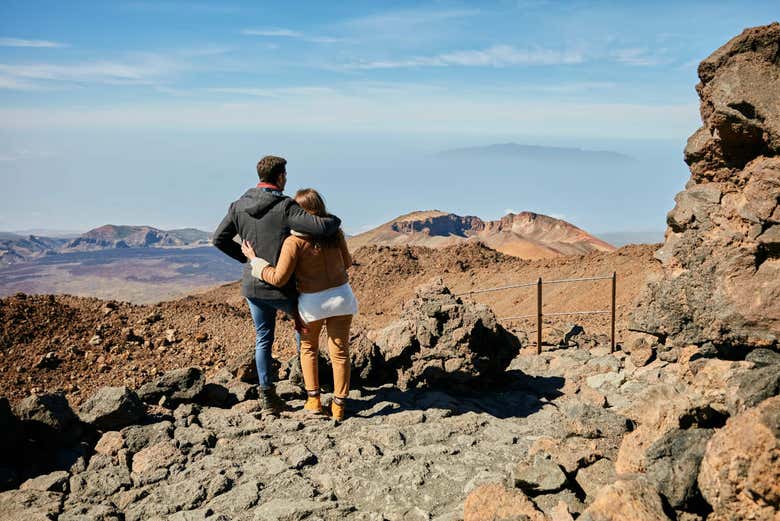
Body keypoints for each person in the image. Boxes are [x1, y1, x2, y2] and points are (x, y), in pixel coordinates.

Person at [212, 156, 342, 413]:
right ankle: (308, 388)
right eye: (285, 174)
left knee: (263, 338)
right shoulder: (285, 207)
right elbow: (319, 227)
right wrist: (334, 220)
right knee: (303, 333)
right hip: (283, 286)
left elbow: (219, 239)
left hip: (253, 285)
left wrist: (248, 260)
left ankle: (268, 396)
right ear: (280, 176)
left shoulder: (237, 206)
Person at [240, 188, 357, 421]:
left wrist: (255, 261)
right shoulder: (336, 233)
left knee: (308, 349)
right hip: (342, 298)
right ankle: (339, 407)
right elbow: (348, 262)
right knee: (340, 353)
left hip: (312, 303)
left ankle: (314, 401)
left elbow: (278, 278)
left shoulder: (293, 242)